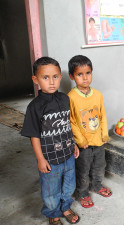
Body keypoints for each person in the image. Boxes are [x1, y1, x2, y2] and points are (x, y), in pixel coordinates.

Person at [21, 57, 80, 225]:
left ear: (60, 77)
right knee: (50, 192)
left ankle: (65, 207)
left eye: (55, 76)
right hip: (50, 159)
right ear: (36, 79)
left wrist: (73, 143)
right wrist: (40, 159)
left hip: (68, 154)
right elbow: (34, 135)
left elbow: (66, 125)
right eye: (45, 77)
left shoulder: (64, 99)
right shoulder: (35, 106)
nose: (51, 82)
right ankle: (53, 213)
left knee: (69, 186)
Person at [68, 55, 112, 208]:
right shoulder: (71, 98)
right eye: (80, 74)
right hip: (83, 145)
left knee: (100, 166)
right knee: (83, 169)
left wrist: (104, 134)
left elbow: (102, 115)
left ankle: (97, 185)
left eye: (88, 73)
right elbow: (71, 121)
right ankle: (82, 193)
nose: (85, 78)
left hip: (98, 141)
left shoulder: (98, 95)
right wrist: (80, 140)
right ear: (72, 76)